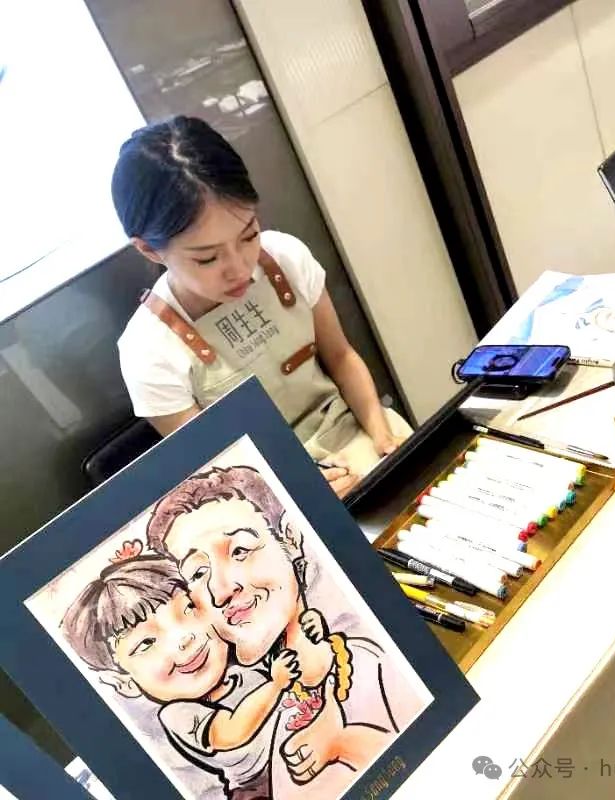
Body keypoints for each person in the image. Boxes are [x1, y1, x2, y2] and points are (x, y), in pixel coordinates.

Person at [114, 116, 411, 498]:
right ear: (149, 249)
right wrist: (303, 492)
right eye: (207, 258)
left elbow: (341, 357)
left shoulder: (285, 257)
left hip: (357, 435)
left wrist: (383, 438)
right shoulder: (147, 351)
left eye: (249, 234)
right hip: (270, 494)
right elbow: (217, 475)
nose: (239, 267)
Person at [147, 465, 423, 799]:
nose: (220, 591)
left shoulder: (365, 661)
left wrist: (341, 743)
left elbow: (436, 741)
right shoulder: (272, 693)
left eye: (240, 551)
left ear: (290, 540)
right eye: (198, 573)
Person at [60, 554, 330, 800]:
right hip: (261, 786)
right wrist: (275, 685)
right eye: (147, 643)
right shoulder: (177, 714)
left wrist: (311, 632)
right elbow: (232, 732)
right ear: (124, 683)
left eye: (188, 609)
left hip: (310, 747)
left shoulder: (242, 663)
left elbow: (299, 667)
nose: (185, 638)